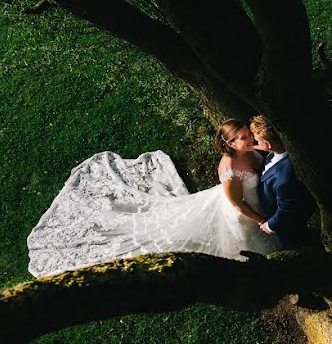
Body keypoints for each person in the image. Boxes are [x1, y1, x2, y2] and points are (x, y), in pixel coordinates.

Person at [27, 119, 281, 277]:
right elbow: (237, 203)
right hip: (243, 213)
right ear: (230, 144)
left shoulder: (249, 149)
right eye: (244, 138)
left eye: (249, 135)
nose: (250, 140)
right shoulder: (229, 170)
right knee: (249, 243)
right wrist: (260, 220)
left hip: (255, 203)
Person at [249, 115, 315, 248]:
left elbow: (287, 208)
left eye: (257, 141)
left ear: (268, 144)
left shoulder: (284, 178)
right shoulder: (275, 152)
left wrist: (270, 225)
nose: (255, 143)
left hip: (287, 227)